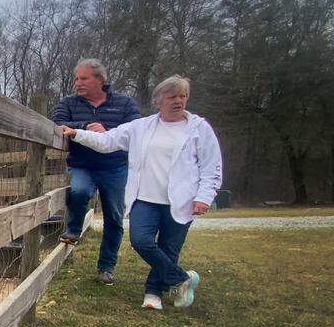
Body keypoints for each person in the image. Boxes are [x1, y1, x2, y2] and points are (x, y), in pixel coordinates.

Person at [59, 75, 222, 310]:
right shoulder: (141, 127)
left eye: (182, 96)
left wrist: (204, 197)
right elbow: (108, 141)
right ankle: (182, 280)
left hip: (181, 200)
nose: (178, 100)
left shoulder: (199, 128)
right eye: (172, 96)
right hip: (145, 198)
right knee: (141, 241)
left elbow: (211, 166)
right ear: (159, 101)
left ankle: (153, 293)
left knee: (168, 248)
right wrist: (77, 133)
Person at [51, 58, 141, 285]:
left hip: (115, 167)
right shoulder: (68, 102)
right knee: (79, 191)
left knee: (114, 216)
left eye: (83, 78)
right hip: (82, 163)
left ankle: (106, 267)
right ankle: (73, 229)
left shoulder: (124, 103)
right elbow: (57, 123)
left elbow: (137, 129)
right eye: (76, 78)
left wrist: (108, 131)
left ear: (100, 80)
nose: (77, 83)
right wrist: (84, 127)